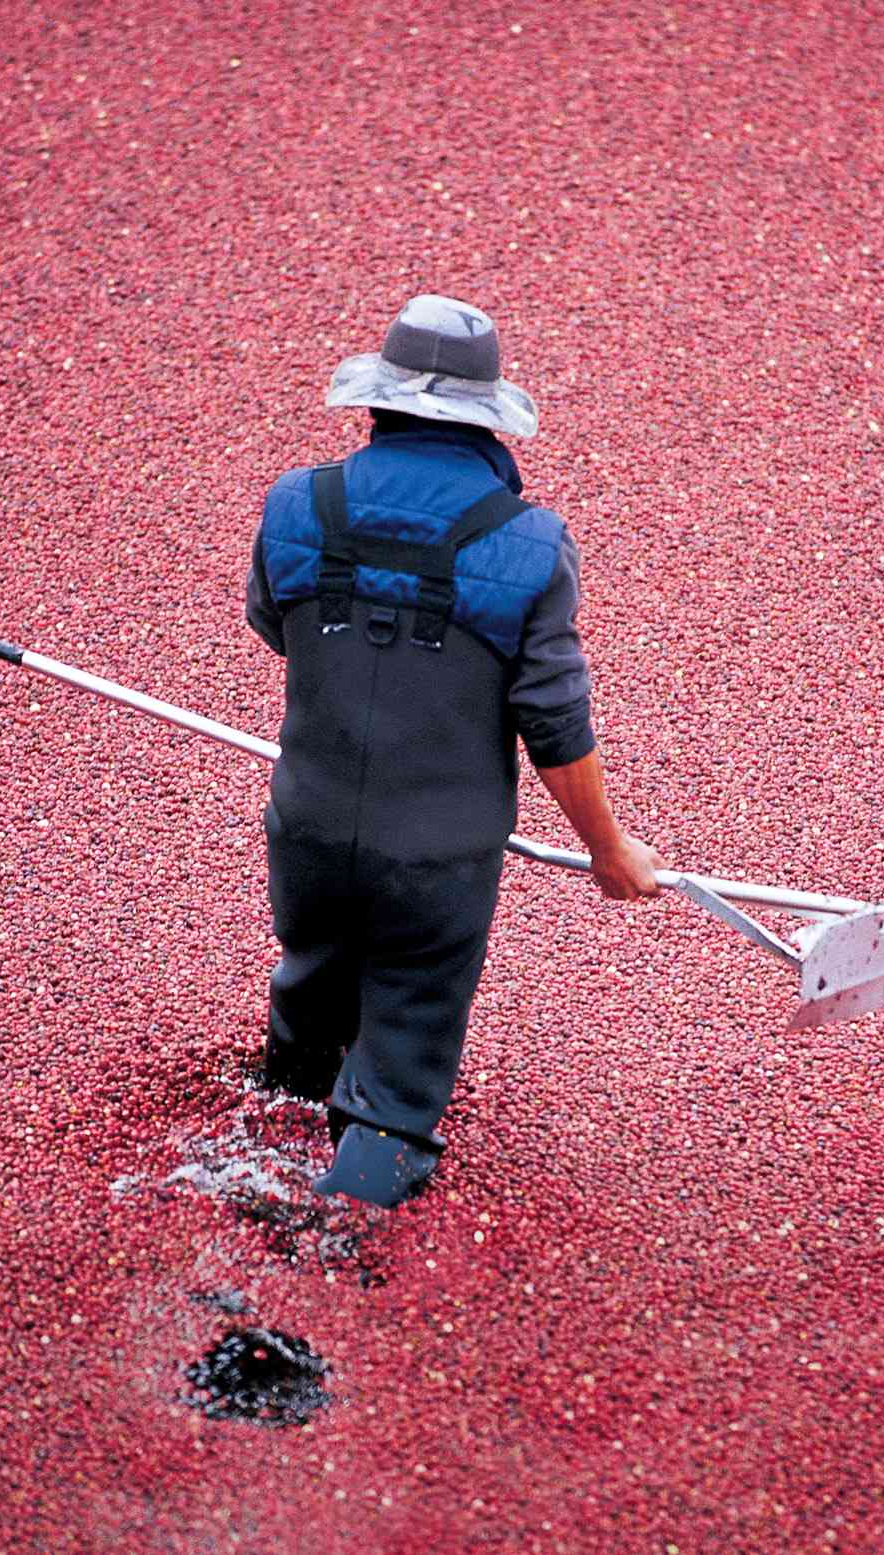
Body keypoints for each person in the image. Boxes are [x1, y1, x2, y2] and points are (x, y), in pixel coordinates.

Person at [245, 294, 663, 1208]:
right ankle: (330, 1248)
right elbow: (554, 726)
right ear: (485, 419)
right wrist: (607, 847)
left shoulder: (296, 503)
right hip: (435, 858)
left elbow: (276, 625)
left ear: (381, 402)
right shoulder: (528, 545)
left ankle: (256, 1157)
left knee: (312, 984)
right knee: (403, 1050)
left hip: (307, 824)